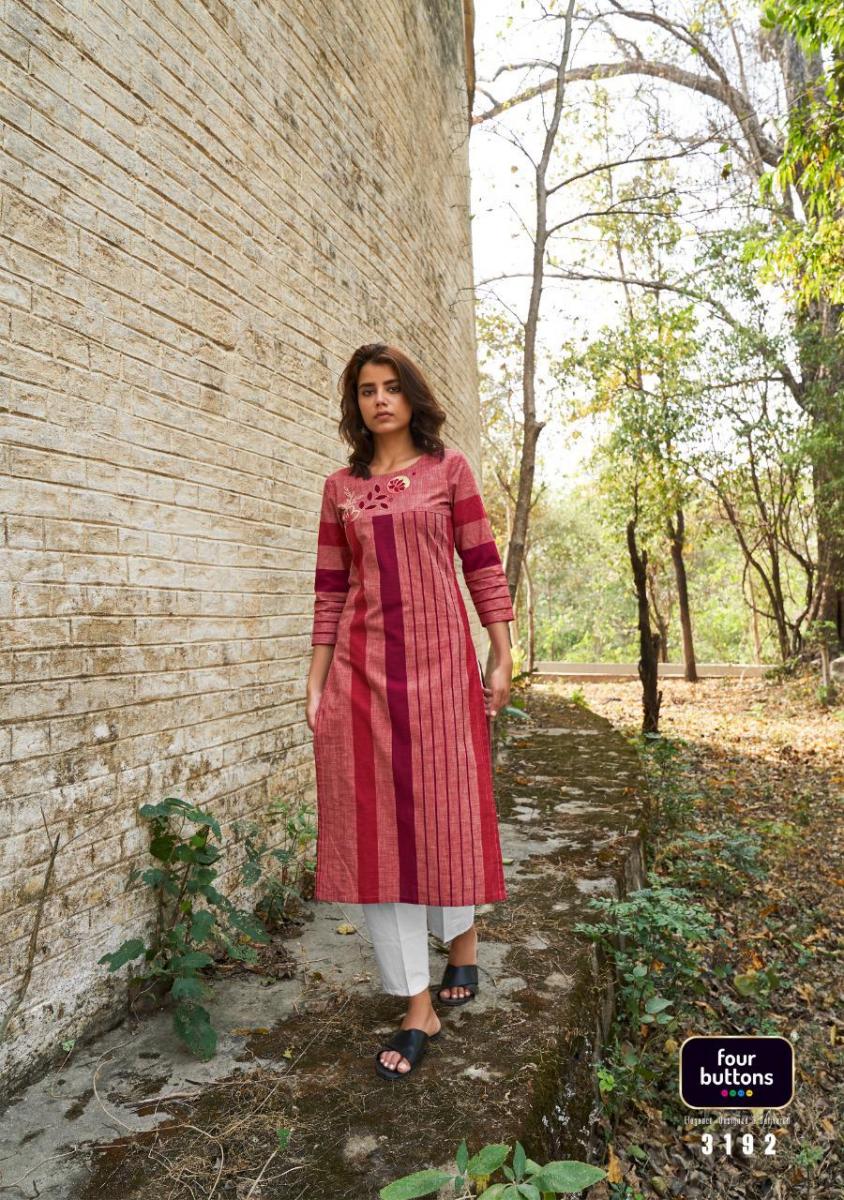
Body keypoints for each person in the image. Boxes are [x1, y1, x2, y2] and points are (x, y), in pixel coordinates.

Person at [305, 342, 514, 1081]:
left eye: (392, 387)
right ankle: (416, 1004)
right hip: (362, 674)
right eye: (367, 390)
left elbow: (481, 562)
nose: (380, 400)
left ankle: (464, 944)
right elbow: (330, 589)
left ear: (411, 396)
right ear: (355, 404)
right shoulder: (340, 488)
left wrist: (501, 650)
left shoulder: (448, 471)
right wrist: (316, 682)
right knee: (377, 835)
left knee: (445, 815)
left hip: (441, 674)